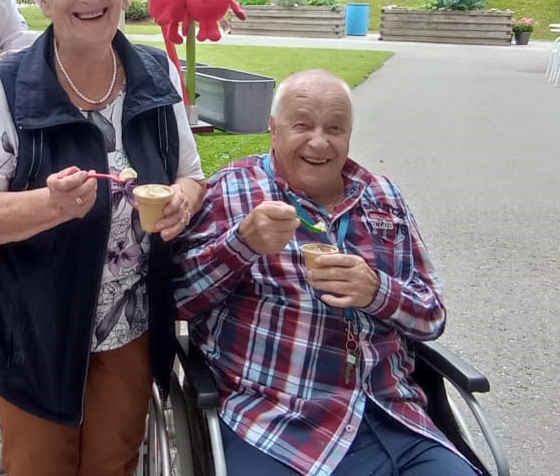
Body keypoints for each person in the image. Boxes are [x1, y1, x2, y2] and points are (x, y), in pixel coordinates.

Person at [0, 0, 206, 475]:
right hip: (33, 332)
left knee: (114, 465)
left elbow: (190, 173)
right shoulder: (7, 87)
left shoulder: (155, 72)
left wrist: (184, 199)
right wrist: (49, 205)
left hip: (130, 326)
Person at [174, 69, 480, 476]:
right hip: (274, 422)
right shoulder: (232, 190)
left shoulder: (383, 197)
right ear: (273, 129)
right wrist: (241, 243)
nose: (319, 142)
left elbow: (432, 316)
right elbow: (178, 300)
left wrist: (376, 291)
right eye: (302, 125)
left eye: (334, 128)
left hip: (391, 414)